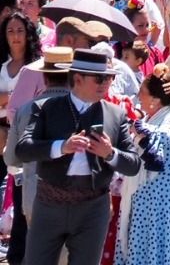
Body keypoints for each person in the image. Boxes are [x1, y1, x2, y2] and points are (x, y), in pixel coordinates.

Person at [14, 43, 141, 265]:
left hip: (93, 208)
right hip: (49, 203)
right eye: (99, 79)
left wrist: (110, 153)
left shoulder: (116, 114)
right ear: (78, 79)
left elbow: (133, 164)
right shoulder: (46, 108)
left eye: (109, 78)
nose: (106, 84)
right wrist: (60, 147)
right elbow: (23, 150)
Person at [115, 69, 170, 265]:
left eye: (141, 92)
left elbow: (162, 136)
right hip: (144, 198)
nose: (138, 97)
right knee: (142, 251)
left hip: (163, 201)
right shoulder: (146, 120)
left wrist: (137, 128)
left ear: (155, 99)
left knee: (163, 250)